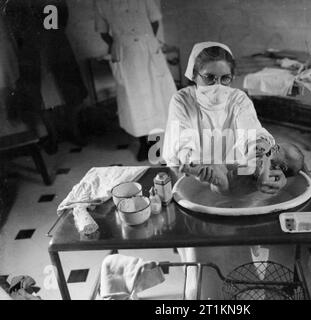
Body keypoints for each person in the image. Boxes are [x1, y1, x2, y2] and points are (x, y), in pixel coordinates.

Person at [162, 42, 287, 299]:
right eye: (209, 78)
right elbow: (182, 142)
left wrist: (261, 160)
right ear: (193, 76)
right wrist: (204, 168)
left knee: (234, 242)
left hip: (233, 178)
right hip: (195, 179)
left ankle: (241, 296)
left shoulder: (238, 98)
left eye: (224, 78)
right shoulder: (182, 100)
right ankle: (204, 296)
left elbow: (252, 132)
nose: (217, 85)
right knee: (203, 251)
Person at [94, 0, 177, 161]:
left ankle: (156, 143)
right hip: (125, 54)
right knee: (135, 102)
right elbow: (103, 32)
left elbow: (154, 22)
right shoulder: (101, 3)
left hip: (148, 50)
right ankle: (142, 144)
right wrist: (120, 43)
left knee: (155, 98)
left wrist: (145, 40)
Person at [4, 0, 88, 153]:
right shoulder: (13, 4)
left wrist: (49, 36)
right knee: (41, 99)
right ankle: (53, 136)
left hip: (56, 49)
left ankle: (74, 132)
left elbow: (59, 21)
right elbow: (16, 29)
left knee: (70, 93)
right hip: (32, 56)